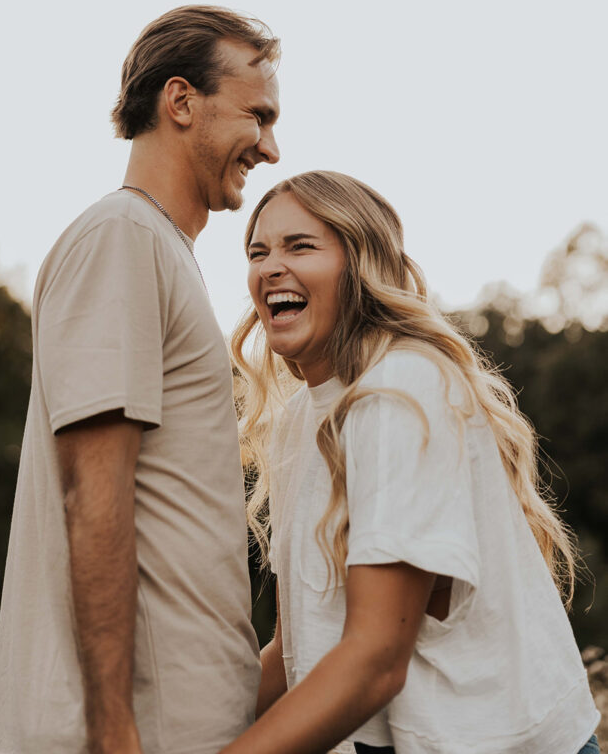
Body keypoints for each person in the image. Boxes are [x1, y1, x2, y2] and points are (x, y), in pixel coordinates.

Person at [0, 5, 281, 754]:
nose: (271, 148)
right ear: (180, 102)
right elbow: (96, 492)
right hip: (140, 734)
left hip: (185, 719)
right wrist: (113, 729)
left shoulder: (160, 249)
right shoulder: (121, 237)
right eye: (258, 116)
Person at [223, 170, 600, 754]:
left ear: (362, 264)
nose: (270, 267)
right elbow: (293, 650)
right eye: (257, 251)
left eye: (301, 246)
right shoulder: (301, 418)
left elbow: (375, 660)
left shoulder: (401, 390)